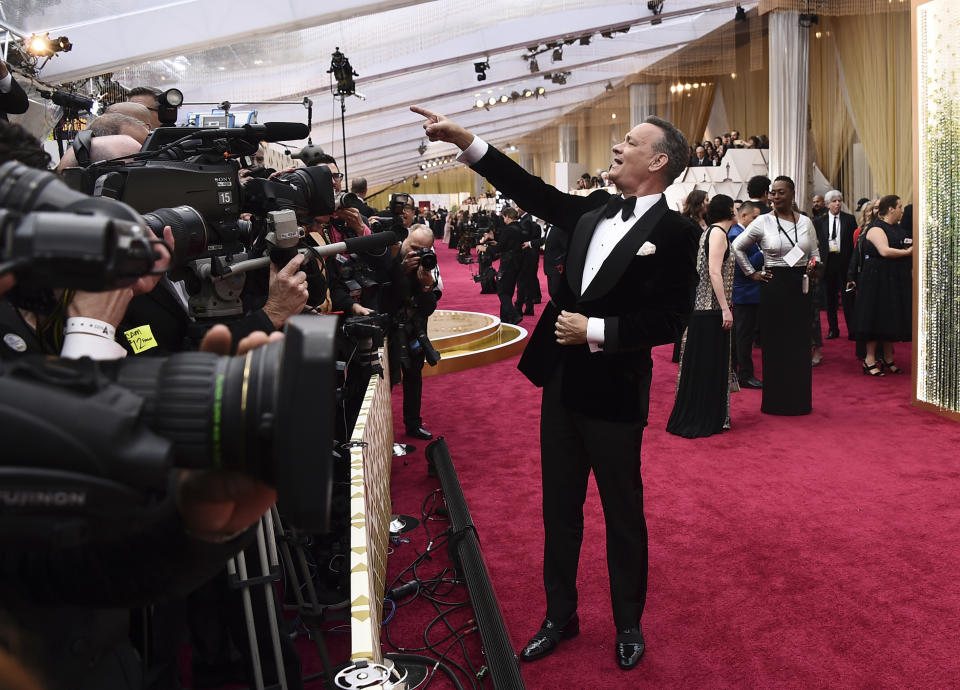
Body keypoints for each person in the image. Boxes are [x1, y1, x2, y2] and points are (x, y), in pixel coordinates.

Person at [411, 104, 699, 670]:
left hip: (615, 392)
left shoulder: (677, 232)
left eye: (630, 141)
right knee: (558, 509)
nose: (618, 146)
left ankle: (628, 623)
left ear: (658, 161)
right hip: (562, 385)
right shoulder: (592, 208)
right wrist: (469, 141)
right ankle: (559, 615)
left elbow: (671, 319)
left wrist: (597, 330)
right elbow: (531, 190)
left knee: (623, 511)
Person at [732, 175, 821, 415]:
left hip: (800, 286)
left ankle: (799, 400)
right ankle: (775, 401)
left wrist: (814, 266)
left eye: (781, 192)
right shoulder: (762, 222)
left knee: (799, 344)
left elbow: (815, 253)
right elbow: (737, 246)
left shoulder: (805, 222)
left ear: (792, 194)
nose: (776, 196)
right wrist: (752, 273)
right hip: (772, 285)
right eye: (773, 192)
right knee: (775, 344)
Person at [666, 195, 737, 437]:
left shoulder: (711, 232)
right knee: (707, 367)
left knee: (707, 366)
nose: (737, 210)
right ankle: (703, 416)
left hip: (707, 311)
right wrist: (726, 308)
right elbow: (715, 273)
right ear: (729, 210)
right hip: (710, 312)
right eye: (735, 207)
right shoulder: (716, 233)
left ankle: (709, 415)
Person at [381, 224, 442, 439]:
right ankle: (382, 429)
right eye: (414, 247)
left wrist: (426, 287)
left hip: (415, 330)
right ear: (405, 241)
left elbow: (429, 308)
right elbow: (384, 298)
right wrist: (402, 272)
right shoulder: (391, 259)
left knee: (414, 376)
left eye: (424, 249)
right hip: (389, 328)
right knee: (385, 380)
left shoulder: (428, 265)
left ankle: (413, 424)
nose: (417, 252)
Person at [852, 194, 912, 376]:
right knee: (875, 317)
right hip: (877, 280)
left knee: (890, 317)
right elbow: (885, 251)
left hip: (894, 278)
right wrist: (909, 252)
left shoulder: (897, 228)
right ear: (891, 209)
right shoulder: (876, 228)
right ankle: (869, 359)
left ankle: (888, 358)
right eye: (900, 206)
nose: (902, 209)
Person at [728, 200, 764, 388]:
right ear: (743, 215)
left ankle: (738, 371)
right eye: (755, 218)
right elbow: (742, 266)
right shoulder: (736, 235)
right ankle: (745, 375)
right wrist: (766, 250)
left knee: (742, 335)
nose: (758, 222)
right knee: (743, 336)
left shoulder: (745, 233)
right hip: (744, 292)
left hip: (749, 291)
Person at [814, 190, 858, 340]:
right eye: (834, 201)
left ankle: (852, 329)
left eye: (839, 200)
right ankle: (833, 329)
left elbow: (854, 244)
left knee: (848, 299)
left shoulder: (849, 219)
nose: (838, 203)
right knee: (830, 299)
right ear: (827, 204)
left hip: (844, 263)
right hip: (828, 264)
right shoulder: (820, 221)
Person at [496, 206, 525, 324]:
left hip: (507, 263)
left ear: (507, 217)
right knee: (508, 291)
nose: (503, 219)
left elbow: (500, 247)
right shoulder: (520, 227)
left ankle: (513, 315)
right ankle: (505, 319)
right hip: (518, 264)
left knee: (502, 292)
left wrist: (486, 248)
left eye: (504, 217)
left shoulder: (508, 229)